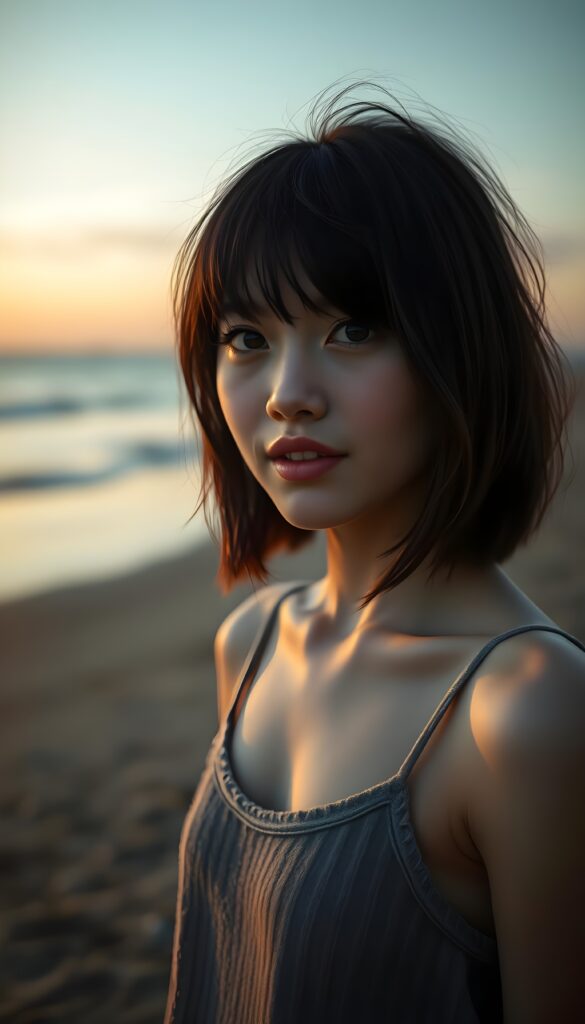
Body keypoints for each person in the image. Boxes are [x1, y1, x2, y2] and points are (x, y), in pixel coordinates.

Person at [164, 79, 585, 1023]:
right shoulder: (253, 641)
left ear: (457, 350)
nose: (286, 394)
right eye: (246, 338)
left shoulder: (525, 713)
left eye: (352, 329)